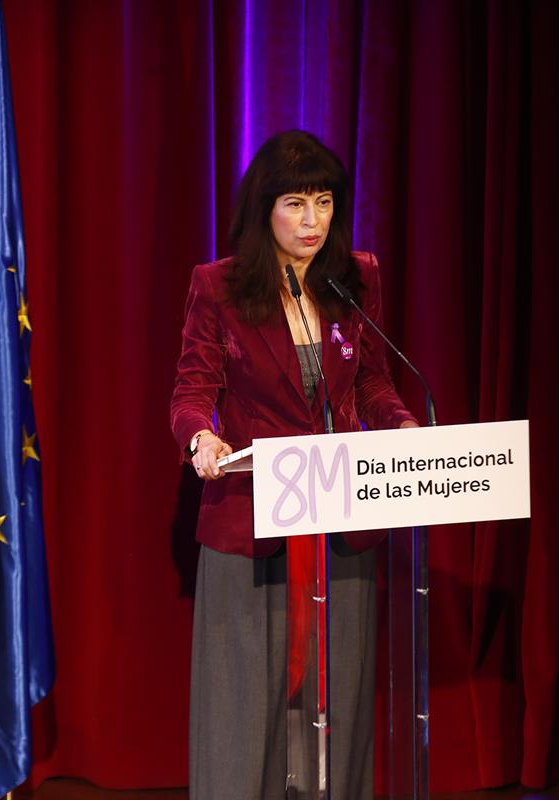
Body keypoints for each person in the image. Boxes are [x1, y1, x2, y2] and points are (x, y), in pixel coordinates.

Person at [169, 130, 418, 799]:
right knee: (243, 706)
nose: (312, 221)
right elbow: (191, 392)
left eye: (325, 203)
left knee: (336, 709)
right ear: (264, 208)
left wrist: (401, 425)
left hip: (342, 520)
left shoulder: (355, 278)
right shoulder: (218, 287)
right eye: (295, 204)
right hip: (251, 525)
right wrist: (203, 440)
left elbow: (373, 383)